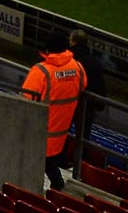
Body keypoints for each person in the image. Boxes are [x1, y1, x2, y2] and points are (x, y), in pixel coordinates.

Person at [20, 38, 87, 191]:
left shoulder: (41, 70)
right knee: (50, 165)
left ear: (48, 51)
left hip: (39, 133)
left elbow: (24, 100)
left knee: (42, 167)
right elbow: (83, 85)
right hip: (60, 134)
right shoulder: (77, 67)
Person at [68, 29, 107, 136]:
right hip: (86, 107)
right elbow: (100, 86)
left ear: (74, 42)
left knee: (62, 134)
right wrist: (100, 105)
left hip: (67, 102)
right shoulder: (94, 63)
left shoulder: (67, 58)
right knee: (83, 138)